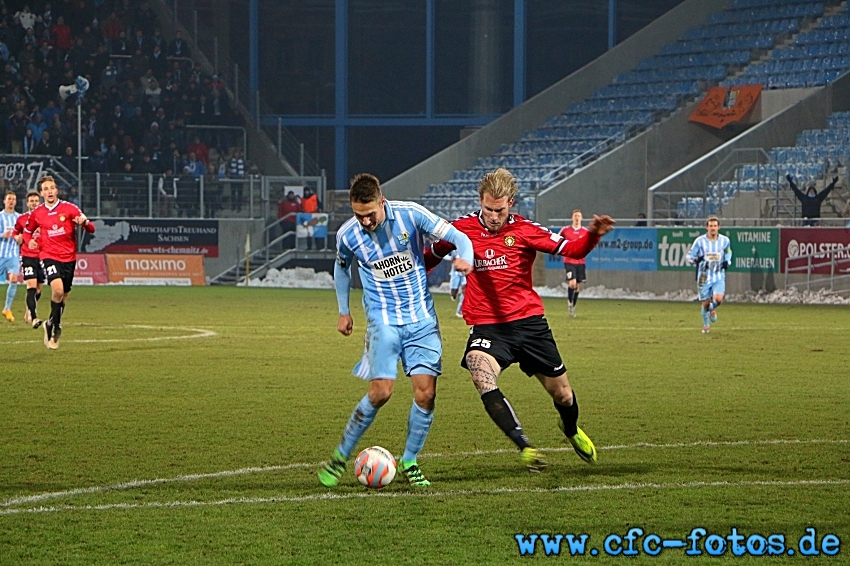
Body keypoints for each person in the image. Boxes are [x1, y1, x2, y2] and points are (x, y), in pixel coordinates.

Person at [425, 168, 615, 472]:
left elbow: (574, 249)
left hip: (528, 323)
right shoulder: (459, 230)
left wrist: (592, 234)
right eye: (488, 209)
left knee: (563, 395)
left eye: (499, 210)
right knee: (479, 371)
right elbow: (430, 255)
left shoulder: (526, 230)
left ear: (510, 203)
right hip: (488, 326)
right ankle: (525, 447)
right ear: (480, 202)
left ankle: (571, 430)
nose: (493, 216)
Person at [317, 173, 474, 489]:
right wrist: (343, 310)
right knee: (381, 392)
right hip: (383, 321)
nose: (365, 221)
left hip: (421, 321)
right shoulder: (348, 235)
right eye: (359, 215)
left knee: (426, 393)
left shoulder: (410, 214)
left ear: (382, 202)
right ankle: (340, 456)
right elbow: (342, 266)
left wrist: (466, 259)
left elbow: (460, 237)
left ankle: (410, 460)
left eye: (370, 214)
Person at [24, 175, 96, 349]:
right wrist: (30, 241)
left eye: (52, 188)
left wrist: (84, 222)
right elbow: (27, 231)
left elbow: (91, 228)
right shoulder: (37, 213)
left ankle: (50, 322)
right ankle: (56, 327)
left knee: (63, 297)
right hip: (48, 255)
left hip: (69, 258)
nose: (49, 191)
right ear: (42, 193)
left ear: (57, 190)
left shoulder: (69, 208)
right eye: (46, 189)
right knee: (57, 290)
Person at [685, 216, 732, 334]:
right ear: (707, 227)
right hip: (704, 276)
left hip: (718, 274)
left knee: (718, 299)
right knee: (705, 302)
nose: (713, 228)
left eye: (715, 226)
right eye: (710, 226)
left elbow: (729, 251)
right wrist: (697, 259)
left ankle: (711, 309)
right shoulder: (699, 241)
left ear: (718, 227)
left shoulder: (724, 240)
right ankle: (706, 325)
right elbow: (689, 256)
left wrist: (727, 261)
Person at [13, 190, 44, 327]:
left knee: (38, 289)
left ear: (40, 202)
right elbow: (15, 232)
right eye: (31, 201)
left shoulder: (46, 217)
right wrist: (17, 238)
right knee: (31, 287)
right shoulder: (22, 219)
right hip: (27, 256)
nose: (34, 203)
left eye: (36, 201)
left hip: (43, 256)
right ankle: (34, 316)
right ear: (27, 204)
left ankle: (28, 309)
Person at [559, 209, 588, 317]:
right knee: (572, 283)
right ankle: (569, 304)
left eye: (579, 216)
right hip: (569, 261)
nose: (577, 218)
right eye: (575, 216)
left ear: (581, 218)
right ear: (572, 217)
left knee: (577, 287)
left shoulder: (585, 232)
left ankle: (573, 307)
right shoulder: (565, 230)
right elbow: (558, 241)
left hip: (580, 262)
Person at [1, 191, 21, 322]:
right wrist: (2, 235)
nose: (11, 201)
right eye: (9, 199)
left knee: (14, 279)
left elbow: (23, 234)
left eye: (13, 199)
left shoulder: (19, 218)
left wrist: (21, 238)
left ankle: (7, 308)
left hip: (13, 254)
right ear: (4, 201)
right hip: (1, 253)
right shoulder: (0, 216)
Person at [447, 249, 466, 318]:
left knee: (465, 290)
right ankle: (453, 294)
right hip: (455, 273)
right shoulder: (453, 247)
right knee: (453, 293)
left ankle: (460, 311)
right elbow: (443, 255)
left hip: (465, 272)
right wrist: (451, 258)